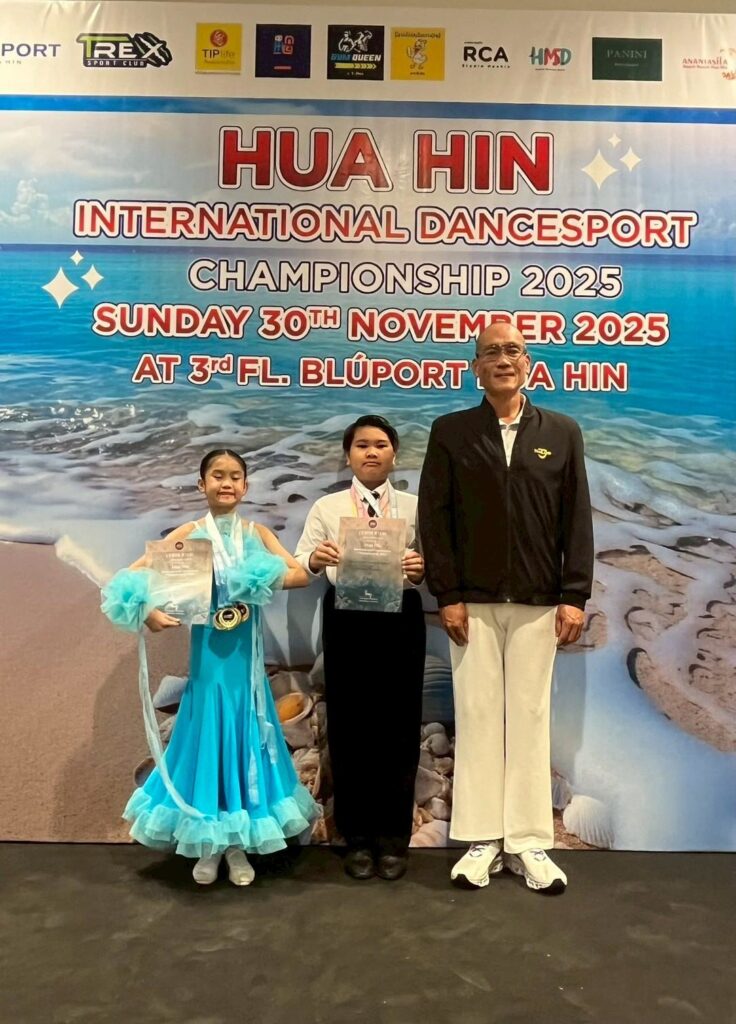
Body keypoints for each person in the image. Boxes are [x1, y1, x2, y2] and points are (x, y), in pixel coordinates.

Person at [418, 323, 594, 895]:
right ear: (475, 366)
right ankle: (481, 839)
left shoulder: (561, 432)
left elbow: (576, 518)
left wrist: (574, 595)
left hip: (540, 601)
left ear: (528, 362)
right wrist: (447, 594)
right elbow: (434, 518)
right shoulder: (451, 431)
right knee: (476, 716)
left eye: (512, 350)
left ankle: (528, 841)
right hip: (471, 602)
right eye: (491, 351)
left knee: (530, 717)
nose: (502, 359)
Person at [101, 449, 318, 886]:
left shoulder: (256, 534)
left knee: (245, 742)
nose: (227, 483)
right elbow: (128, 577)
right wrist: (147, 610)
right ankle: (209, 845)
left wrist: (259, 577)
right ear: (202, 485)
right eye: (217, 475)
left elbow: (300, 575)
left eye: (235, 476)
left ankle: (237, 845)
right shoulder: (189, 535)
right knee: (207, 744)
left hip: (247, 670)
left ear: (246, 486)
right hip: (208, 667)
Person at [295, 416, 426, 881]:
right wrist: (316, 558)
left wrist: (421, 569)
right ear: (348, 455)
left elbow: (435, 564)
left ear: (394, 454)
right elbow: (300, 562)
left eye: (381, 445)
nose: (372, 452)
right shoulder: (328, 507)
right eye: (362, 445)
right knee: (350, 724)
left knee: (399, 724)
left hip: (400, 617)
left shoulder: (415, 507)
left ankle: (393, 839)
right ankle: (356, 837)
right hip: (346, 616)